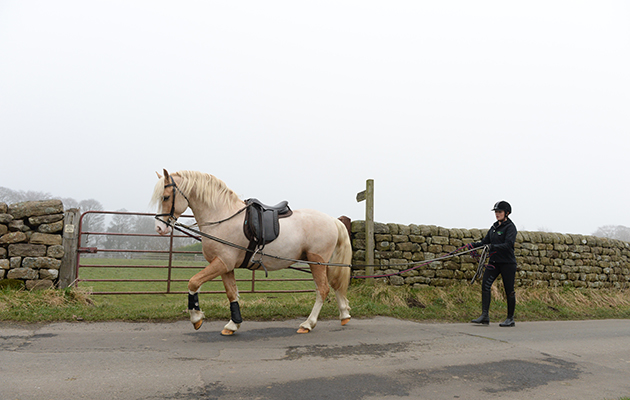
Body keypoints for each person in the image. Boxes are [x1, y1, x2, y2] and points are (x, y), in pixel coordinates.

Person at [467, 201, 518, 327]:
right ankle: (485, 316)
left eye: (499, 212)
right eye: (496, 212)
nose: (497, 214)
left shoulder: (510, 228)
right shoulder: (494, 227)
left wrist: (492, 246)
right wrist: (474, 245)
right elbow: (486, 242)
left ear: (507, 213)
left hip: (507, 263)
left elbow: (508, 245)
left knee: (509, 290)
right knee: (485, 285)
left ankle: (510, 318)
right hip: (494, 262)